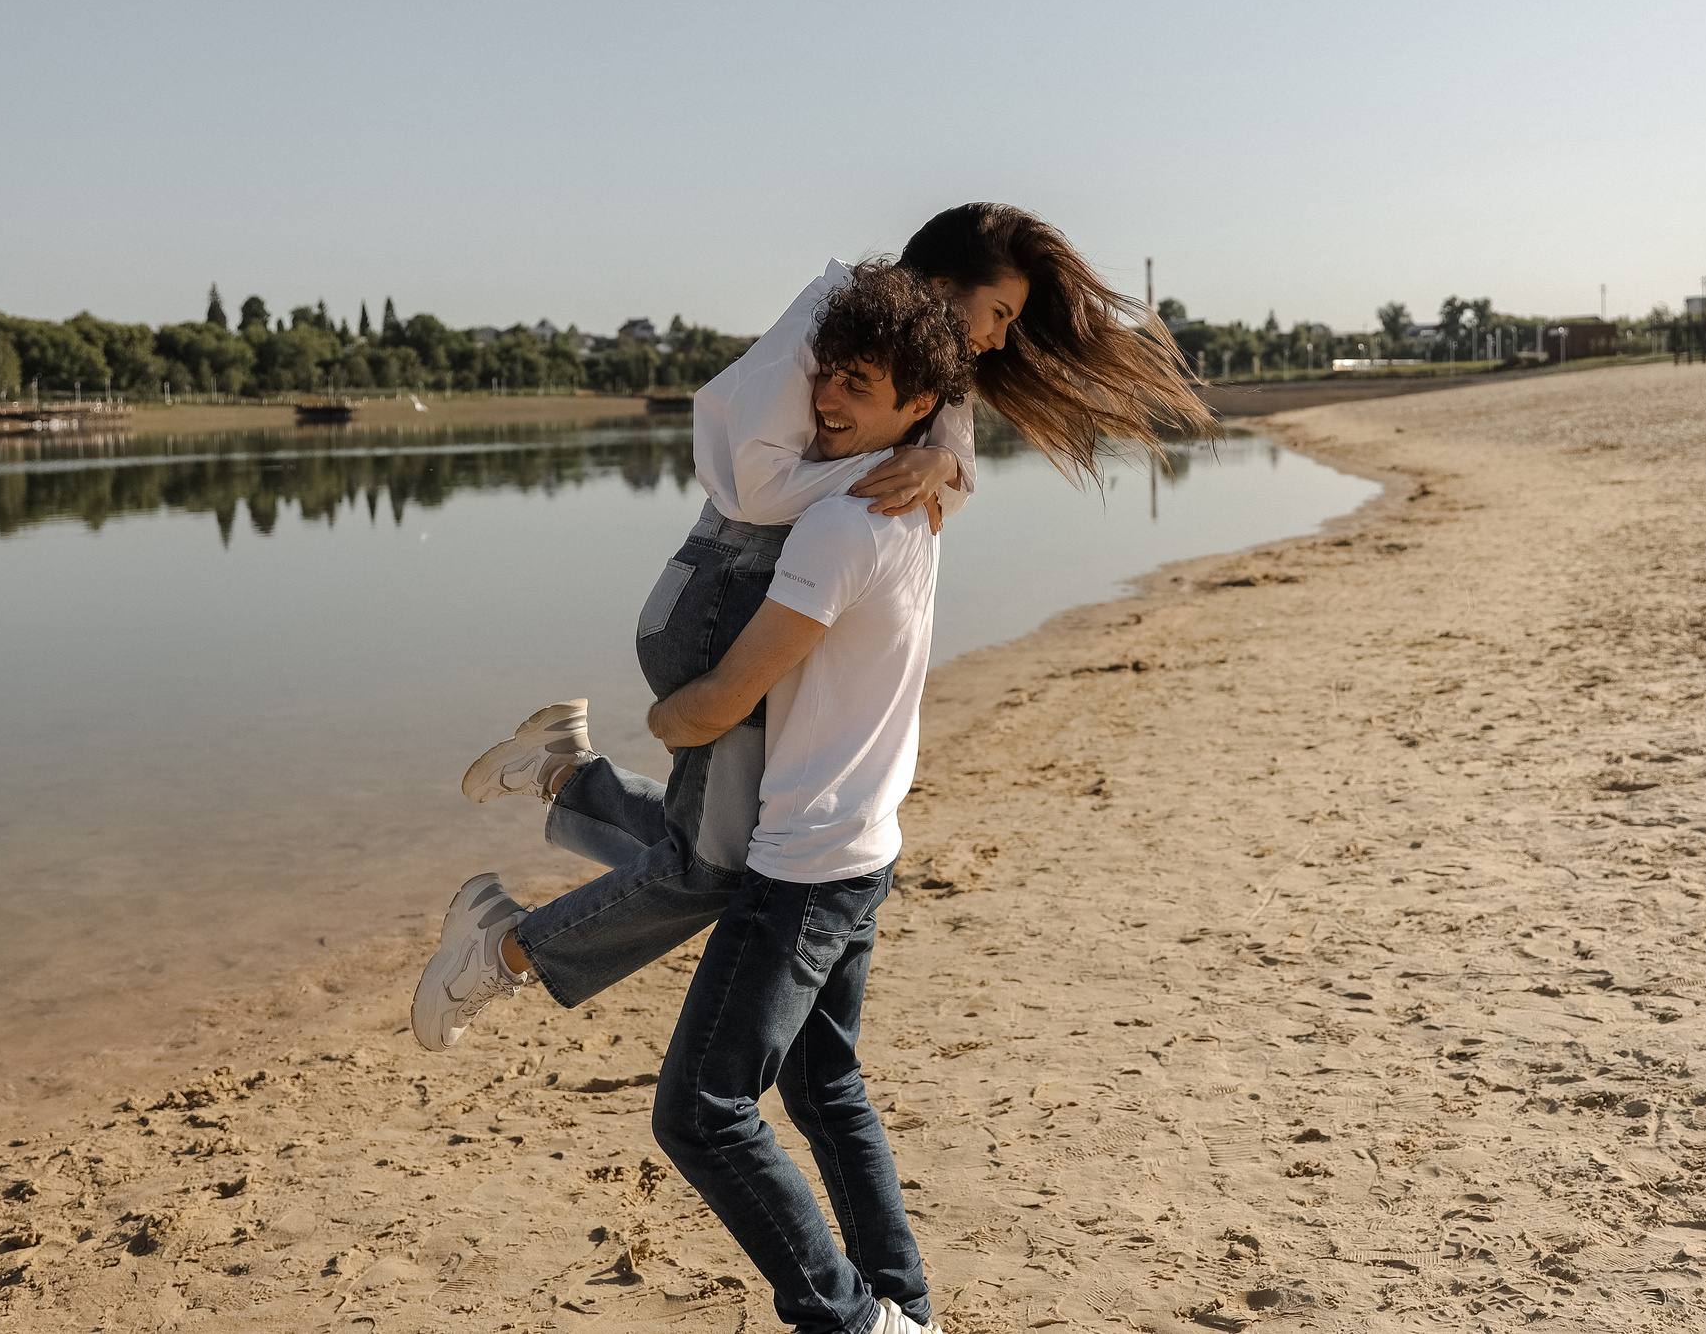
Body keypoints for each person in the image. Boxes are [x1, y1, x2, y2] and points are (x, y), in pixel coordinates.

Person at [415, 204, 1212, 1037]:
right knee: (717, 868)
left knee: (723, 847)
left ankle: (562, 776)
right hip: (716, 603)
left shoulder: (922, 359)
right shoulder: (825, 326)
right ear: (942, 287)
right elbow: (759, 487)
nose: (1002, 340)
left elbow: (951, 470)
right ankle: (502, 948)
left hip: (761, 599)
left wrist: (935, 455)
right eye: (1000, 314)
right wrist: (885, 466)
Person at [418, 264, 970, 1334]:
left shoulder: (841, 524)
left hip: (804, 867)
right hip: (862, 849)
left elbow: (723, 698)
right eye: (831, 377)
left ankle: (857, 1321)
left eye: (861, 388)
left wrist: (669, 720)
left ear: (916, 409)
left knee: (703, 1115)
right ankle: (905, 1312)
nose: (829, 401)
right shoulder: (917, 505)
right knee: (825, 1094)